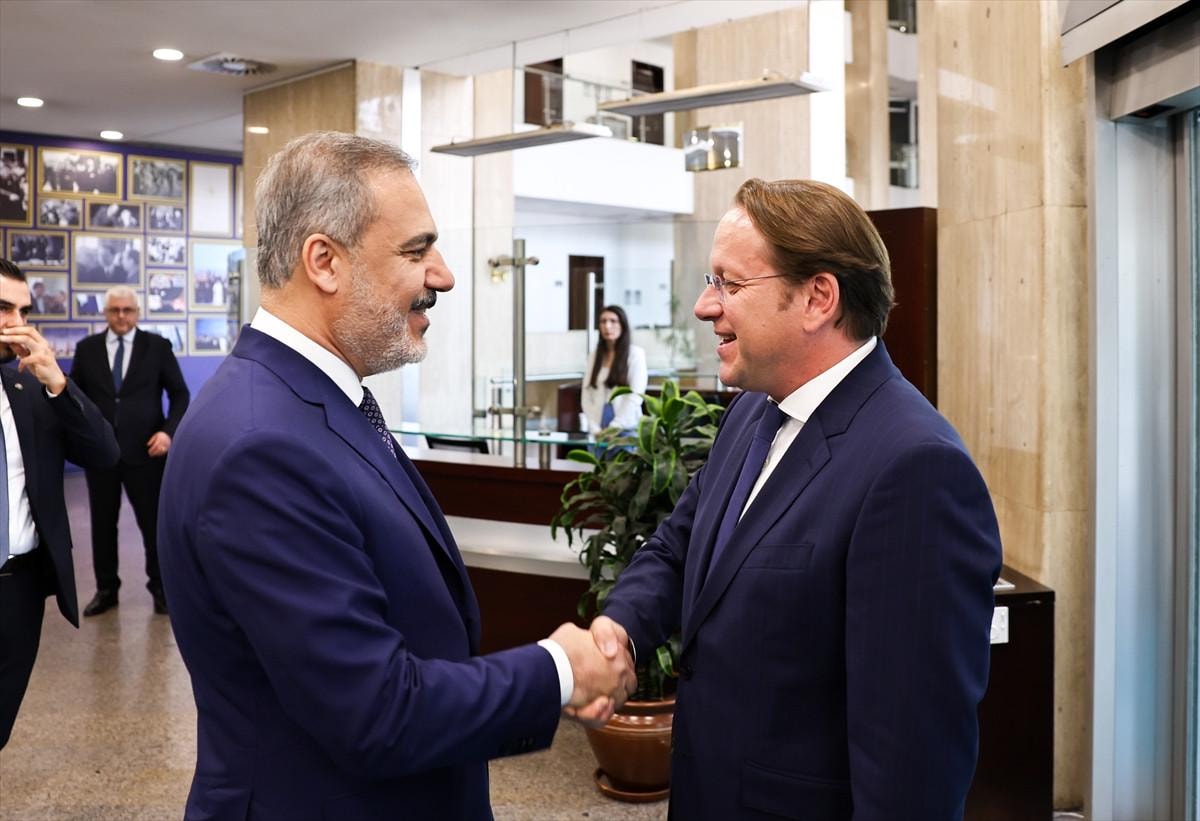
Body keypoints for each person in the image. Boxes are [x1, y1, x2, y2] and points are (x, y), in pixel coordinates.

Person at [157, 131, 635, 819]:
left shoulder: (311, 403)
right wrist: (559, 669)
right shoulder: (261, 448)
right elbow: (375, 711)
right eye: (416, 251)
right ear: (324, 261)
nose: (443, 276)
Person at [591, 178, 1003, 820]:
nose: (704, 306)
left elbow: (911, 760)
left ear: (817, 298)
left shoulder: (917, 468)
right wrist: (619, 630)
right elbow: (680, 546)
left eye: (730, 284)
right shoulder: (750, 414)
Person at [0, 258, 119, 748]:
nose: (16, 323)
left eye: (23, 311)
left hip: (18, 591)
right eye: (3, 308)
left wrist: (59, 384)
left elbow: (104, 454)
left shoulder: (29, 387)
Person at [70, 286, 189, 616]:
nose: (121, 316)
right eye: (115, 310)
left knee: (152, 525)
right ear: (105, 313)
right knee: (102, 525)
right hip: (101, 454)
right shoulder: (87, 349)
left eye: (127, 310)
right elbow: (74, 396)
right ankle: (106, 590)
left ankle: (161, 589)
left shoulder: (158, 347)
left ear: (137, 312)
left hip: (147, 453)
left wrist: (168, 433)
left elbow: (180, 394)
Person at [580, 304, 647, 434]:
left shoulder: (635, 354)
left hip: (626, 427)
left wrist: (616, 426)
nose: (607, 326)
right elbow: (586, 394)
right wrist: (594, 427)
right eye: (603, 321)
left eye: (613, 321)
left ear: (623, 325)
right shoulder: (594, 356)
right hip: (598, 427)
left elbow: (636, 395)